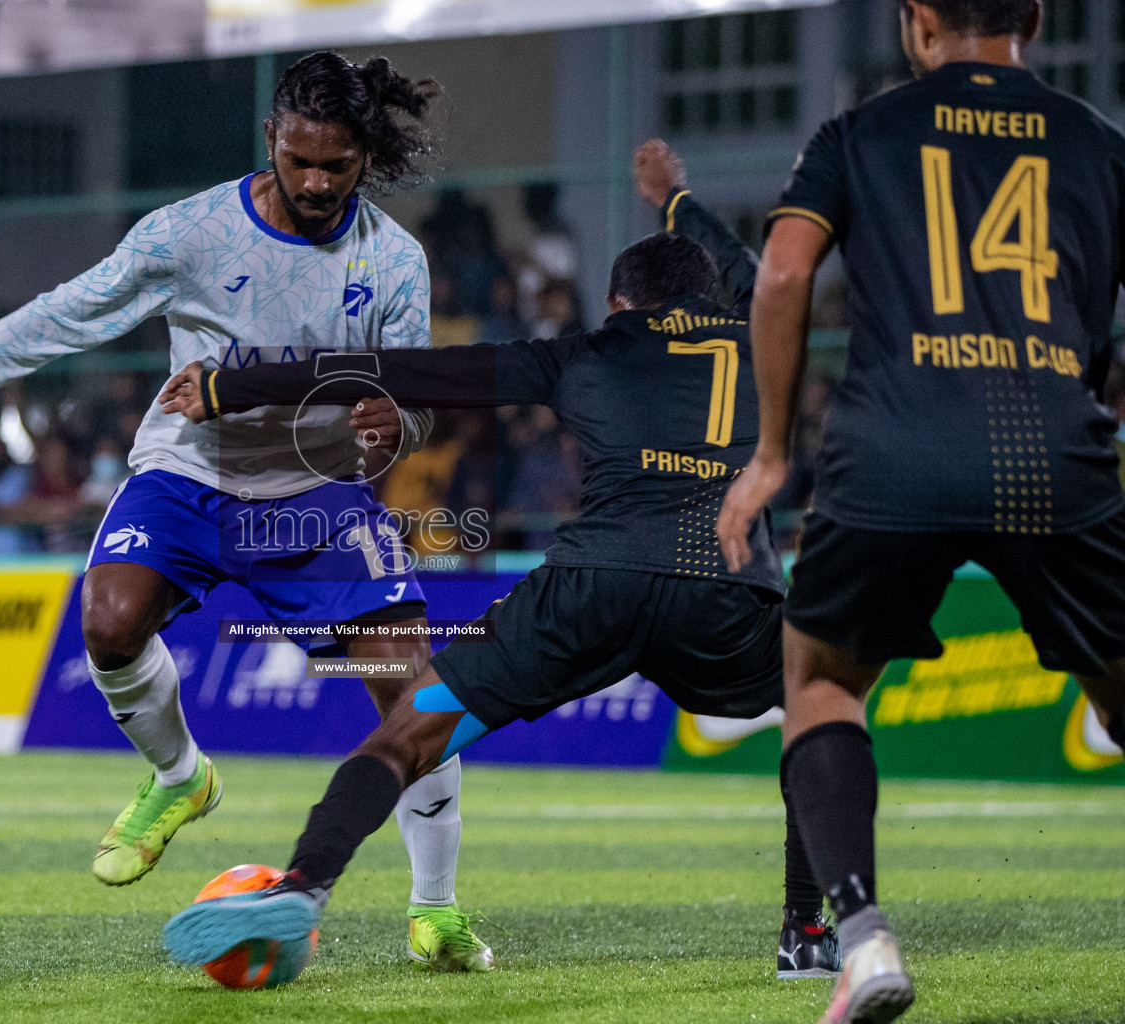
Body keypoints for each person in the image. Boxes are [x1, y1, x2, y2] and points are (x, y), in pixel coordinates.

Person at [0, 51, 495, 971]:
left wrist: (398, 424)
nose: (314, 182)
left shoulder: (392, 258)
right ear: (271, 138)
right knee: (108, 623)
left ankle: (435, 909)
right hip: (188, 472)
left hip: (315, 496)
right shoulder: (189, 235)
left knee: (417, 691)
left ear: (365, 156)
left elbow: (413, 393)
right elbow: (51, 320)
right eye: (298, 158)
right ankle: (181, 778)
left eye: (335, 165)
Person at [157, 140, 841, 985]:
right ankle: (807, 931)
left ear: (618, 301)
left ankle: (303, 885)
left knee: (413, 728)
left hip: (589, 591)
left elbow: (406, 369)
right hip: (729, 592)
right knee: (820, 708)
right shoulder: (762, 338)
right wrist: (676, 199)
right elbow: (756, 267)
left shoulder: (585, 354)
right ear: (715, 296)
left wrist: (235, 386)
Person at [712, 3, 1125, 1021]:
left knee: (819, 682)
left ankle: (858, 935)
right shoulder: (1098, 142)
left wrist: (771, 452)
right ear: (1031, 17)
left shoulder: (861, 133)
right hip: (1054, 452)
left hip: (893, 451)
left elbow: (782, 273)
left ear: (918, 21)